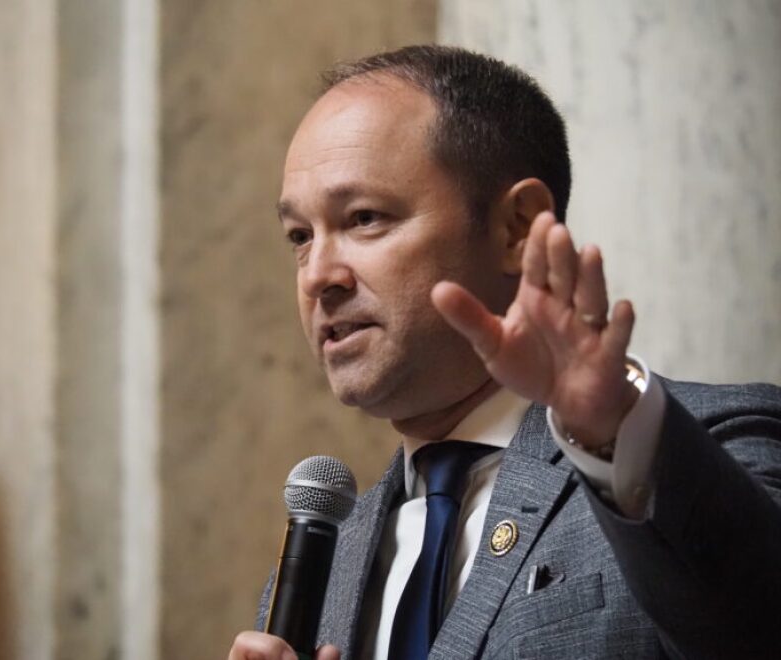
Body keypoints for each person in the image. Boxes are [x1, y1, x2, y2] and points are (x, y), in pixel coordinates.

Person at [228, 45, 781, 660]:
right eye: (300, 237)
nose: (317, 276)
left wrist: (610, 429)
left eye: (363, 218)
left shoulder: (709, 446)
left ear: (517, 227)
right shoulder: (318, 579)